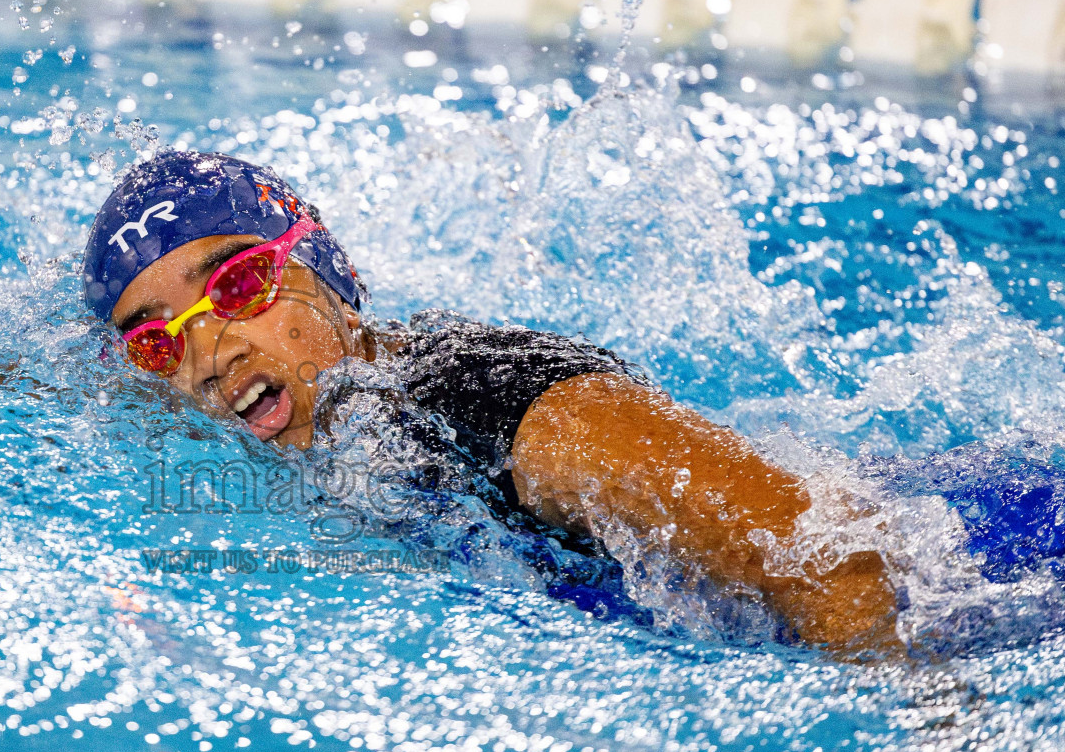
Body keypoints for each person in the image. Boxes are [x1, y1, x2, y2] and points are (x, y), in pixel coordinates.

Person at [84, 151, 906, 658]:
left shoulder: (494, 401)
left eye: (238, 284)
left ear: (329, 268)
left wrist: (932, 717)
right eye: (156, 341)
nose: (208, 354)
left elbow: (821, 551)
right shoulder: (315, 423)